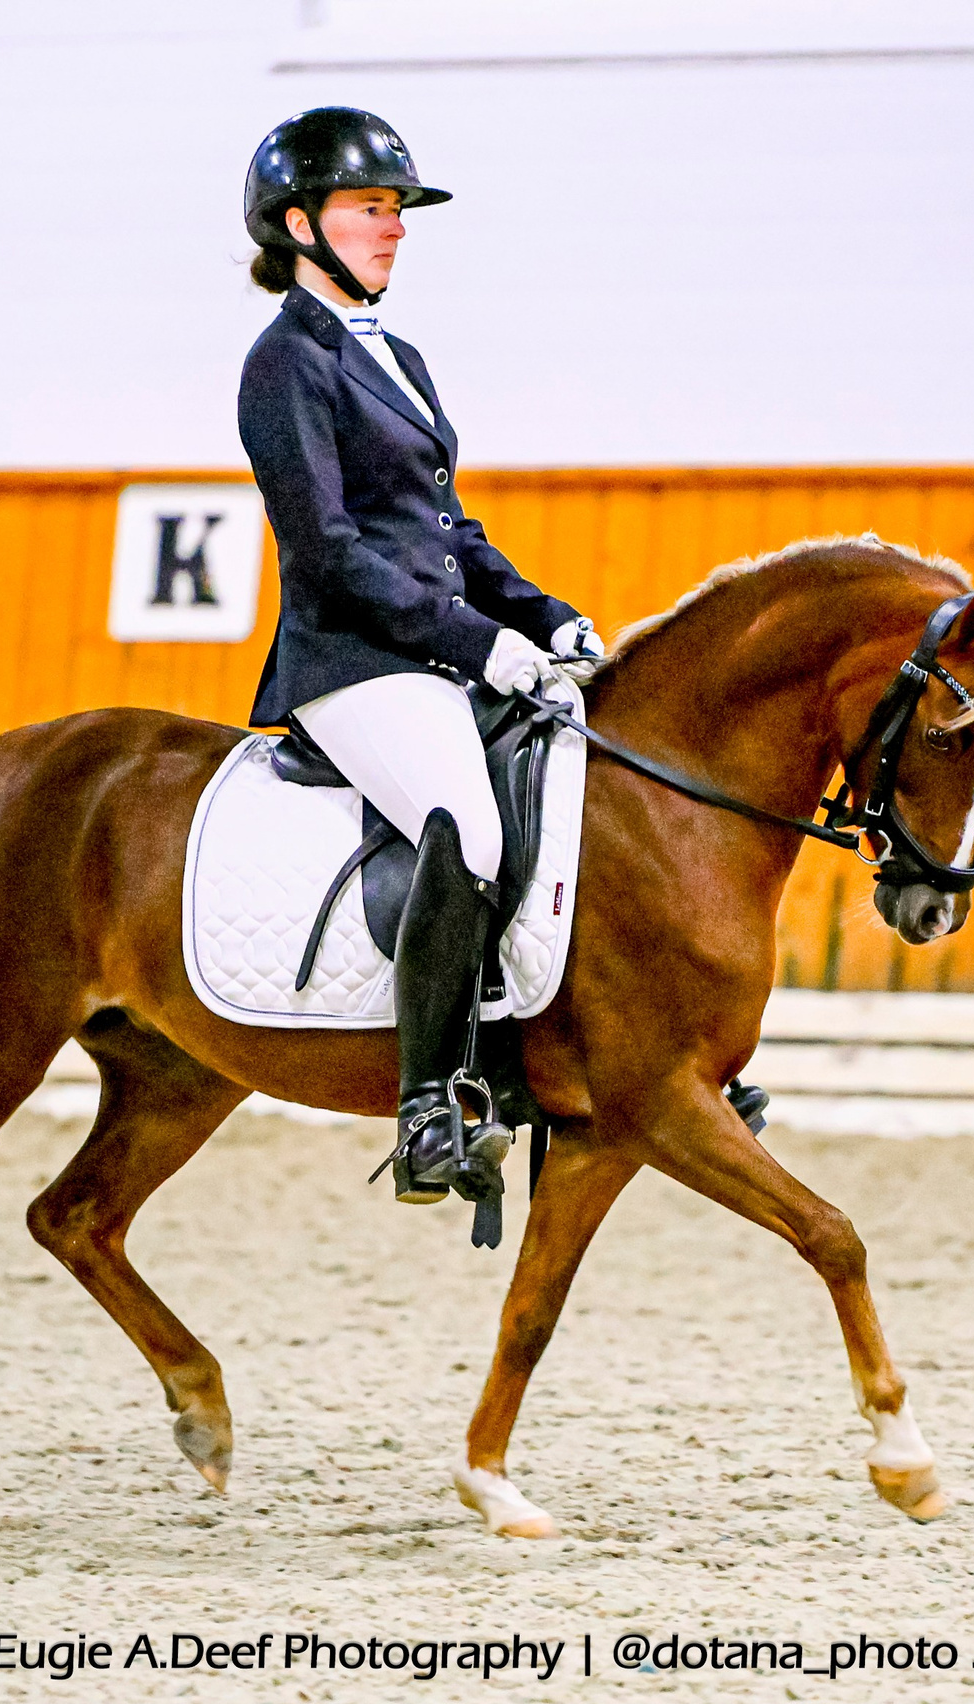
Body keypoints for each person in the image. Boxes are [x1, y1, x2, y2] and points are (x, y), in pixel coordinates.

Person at [236, 107, 603, 1206]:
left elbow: (449, 531)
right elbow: (331, 550)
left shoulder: (396, 355)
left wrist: (544, 616)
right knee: (472, 825)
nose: (393, 229)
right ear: (298, 223)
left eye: (398, 211)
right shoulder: (284, 363)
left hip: (432, 649)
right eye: (369, 209)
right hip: (348, 660)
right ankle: (428, 1105)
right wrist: (476, 643)